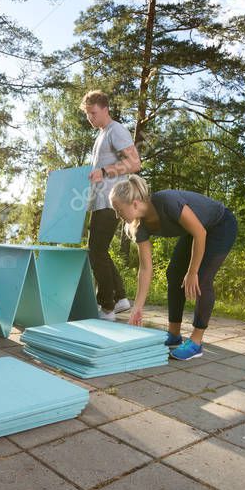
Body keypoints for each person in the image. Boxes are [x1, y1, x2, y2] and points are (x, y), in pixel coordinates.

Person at [109, 176, 238, 361]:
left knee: (201, 278)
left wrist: (192, 271)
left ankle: (196, 342)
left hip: (221, 225)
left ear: (135, 204)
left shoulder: (167, 201)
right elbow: (145, 269)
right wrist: (137, 307)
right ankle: (174, 334)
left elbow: (200, 233)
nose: (117, 215)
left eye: (118, 210)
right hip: (195, 232)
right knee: (174, 274)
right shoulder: (140, 228)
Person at [81, 90, 142, 321]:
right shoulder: (101, 134)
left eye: (93, 113)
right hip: (100, 202)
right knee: (99, 251)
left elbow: (135, 163)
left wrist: (106, 171)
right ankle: (120, 298)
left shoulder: (116, 130)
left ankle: (107, 308)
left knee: (95, 251)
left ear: (105, 109)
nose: (90, 118)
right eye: (87, 114)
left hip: (111, 201)